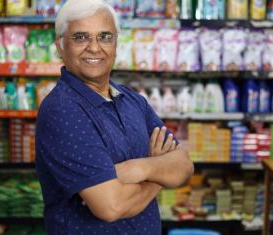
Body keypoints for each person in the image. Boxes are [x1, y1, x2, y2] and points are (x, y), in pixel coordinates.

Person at [35, 0, 194, 234]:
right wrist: (159, 171)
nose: (94, 47)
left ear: (116, 44)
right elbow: (111, 206)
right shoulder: (62, 110)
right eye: (81, 37)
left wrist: (138, 168)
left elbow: (184, 164)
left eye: (105, 37)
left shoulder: (132, 100)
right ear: (60, 46)